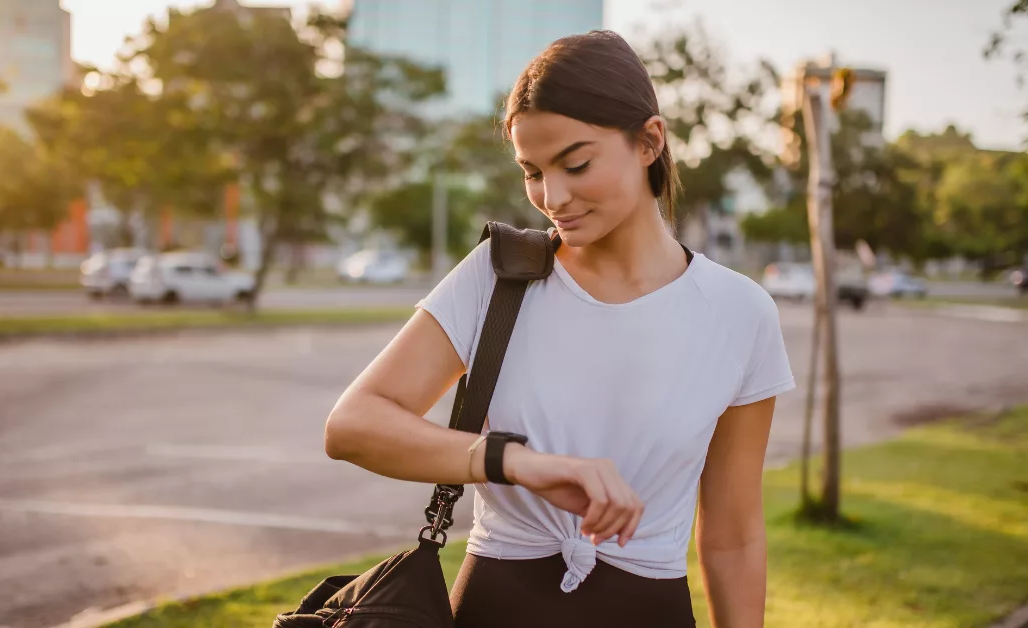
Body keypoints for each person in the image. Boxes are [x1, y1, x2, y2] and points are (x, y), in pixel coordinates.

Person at [325, 30, 794, 628]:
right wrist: (515, 461)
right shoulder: (499, 278)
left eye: (576, 164)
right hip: (493, 609)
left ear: (650, 141)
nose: (553, 196)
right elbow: (352, 426)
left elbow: (732, 536)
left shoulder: (740, 312)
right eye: (533, 171)